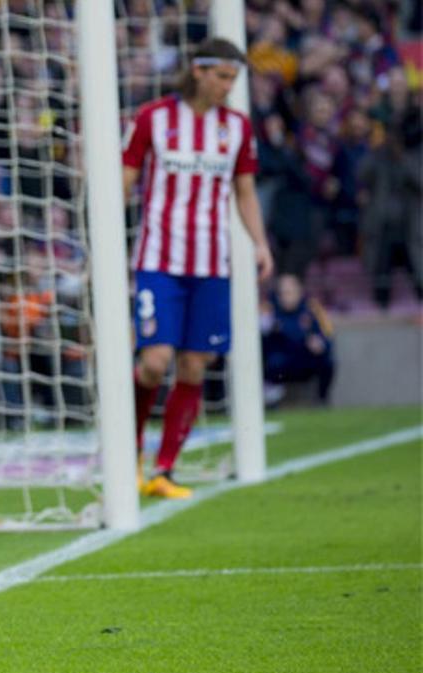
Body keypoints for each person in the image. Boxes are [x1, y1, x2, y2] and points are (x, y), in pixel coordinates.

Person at [123, 38, 275, 500]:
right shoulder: (153, 118)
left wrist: (260, 243)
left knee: (194, 363)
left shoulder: (237, 128)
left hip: (212, 264)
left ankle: (164, 469)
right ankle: (128, 456)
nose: (229, 86)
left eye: (235, 79)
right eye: (224, 77)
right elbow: (124, 179)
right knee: (154, 362)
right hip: (157, 261)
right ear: (198, 71)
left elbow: (244, 191)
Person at [261, 273, 334, 404]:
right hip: (280, 360)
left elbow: (327, 336)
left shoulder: (312, 308)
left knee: (328, 362)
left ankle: (322, 400)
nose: (286, 297)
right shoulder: (269, 309)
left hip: (304, 359)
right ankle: (271, 403)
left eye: (290, 292)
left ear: (299, 292)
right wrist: (301, 337)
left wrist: (321, 344)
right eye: (282, 293)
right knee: (273, 363)